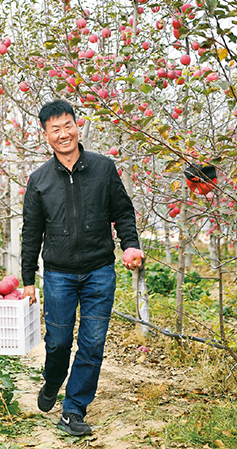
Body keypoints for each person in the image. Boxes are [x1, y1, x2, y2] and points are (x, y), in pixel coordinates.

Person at [21, 99, 144, 437]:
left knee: (92, 343)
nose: (63, 134)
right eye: (55, 129)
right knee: (58, 343)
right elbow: (31, 231)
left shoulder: (104, 168)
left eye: (68, 126)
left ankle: (73, 408)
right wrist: (27, 277)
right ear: (45, 135)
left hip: (98, 271)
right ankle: (53, 381)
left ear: (78, 126)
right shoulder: (39, 180)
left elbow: (124, 211)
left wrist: (130, 243)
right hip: (58, 274)